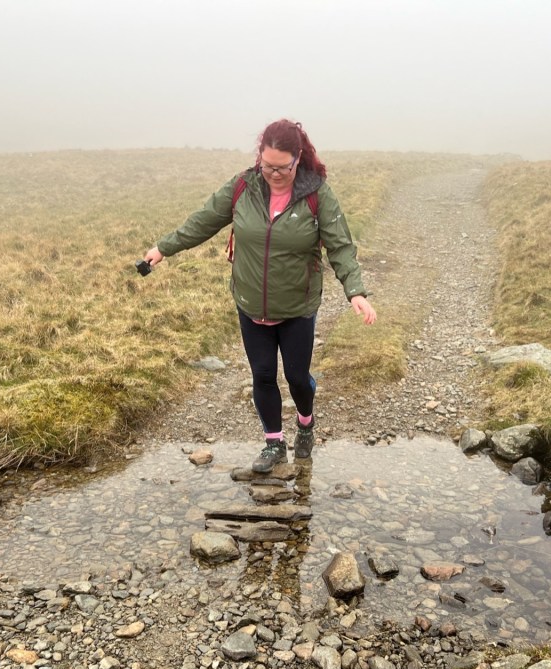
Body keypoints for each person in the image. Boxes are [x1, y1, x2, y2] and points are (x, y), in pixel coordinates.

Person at [142, 118, 376, 472]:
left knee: (297, 378)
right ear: (259, 157)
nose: (274, 173)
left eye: (283, 167)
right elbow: (203, 221)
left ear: (298, 159)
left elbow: (340, 246)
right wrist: (163, 248)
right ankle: (273, 443)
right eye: (268, 166)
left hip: (297, 305)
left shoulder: (316, 194)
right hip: (251, 304)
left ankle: (306, 422)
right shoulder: (243, 187)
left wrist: (355, 292)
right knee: (263, 375)